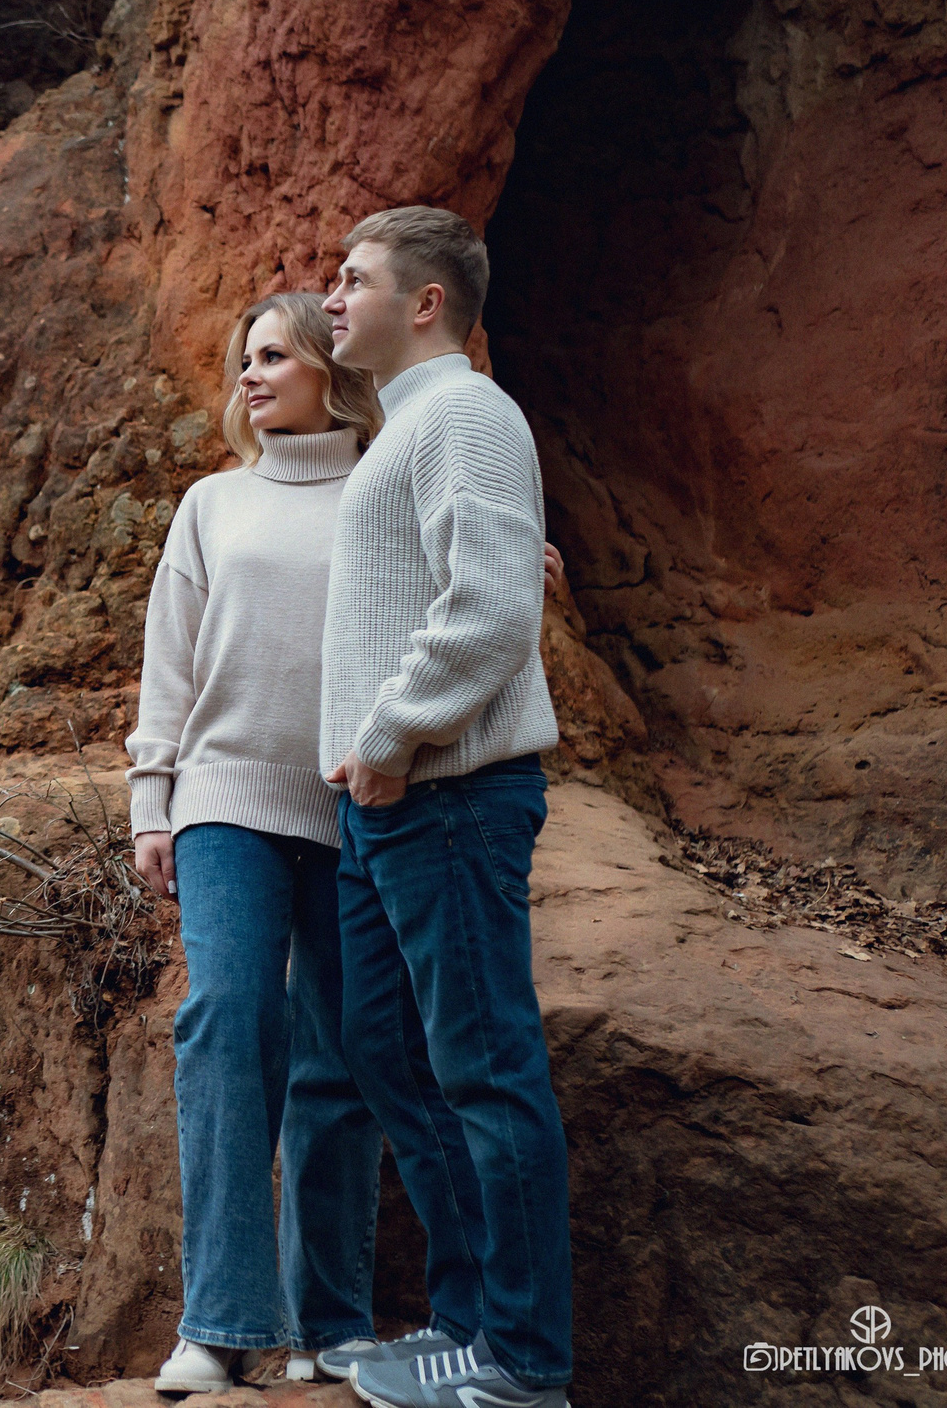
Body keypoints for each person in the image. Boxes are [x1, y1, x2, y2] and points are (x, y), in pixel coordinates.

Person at [315, 207, 572, 1408]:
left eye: (352, 278)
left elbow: (486, 612)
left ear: (424, 303)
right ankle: (468, 1322)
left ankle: (524, 1362)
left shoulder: (466, 412)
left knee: (483, 1066)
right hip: (389, 805)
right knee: (396, 1059)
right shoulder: (403, 429)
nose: (330, 297)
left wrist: (384, 736)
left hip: (448, 791)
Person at [127, 292, 391, 1396]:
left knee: (341, 1057)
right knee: (229, 1024)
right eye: (244, 359)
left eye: (272, 355)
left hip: (353, 804)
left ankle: (332, 1326)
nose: (248, 374)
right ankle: (222, 1325)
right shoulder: (211, 505)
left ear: (328, 365)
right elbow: (170, 658)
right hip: (223, 797)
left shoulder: (385, 491)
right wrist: (152, 798)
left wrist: (530, 565)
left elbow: (466, 567)